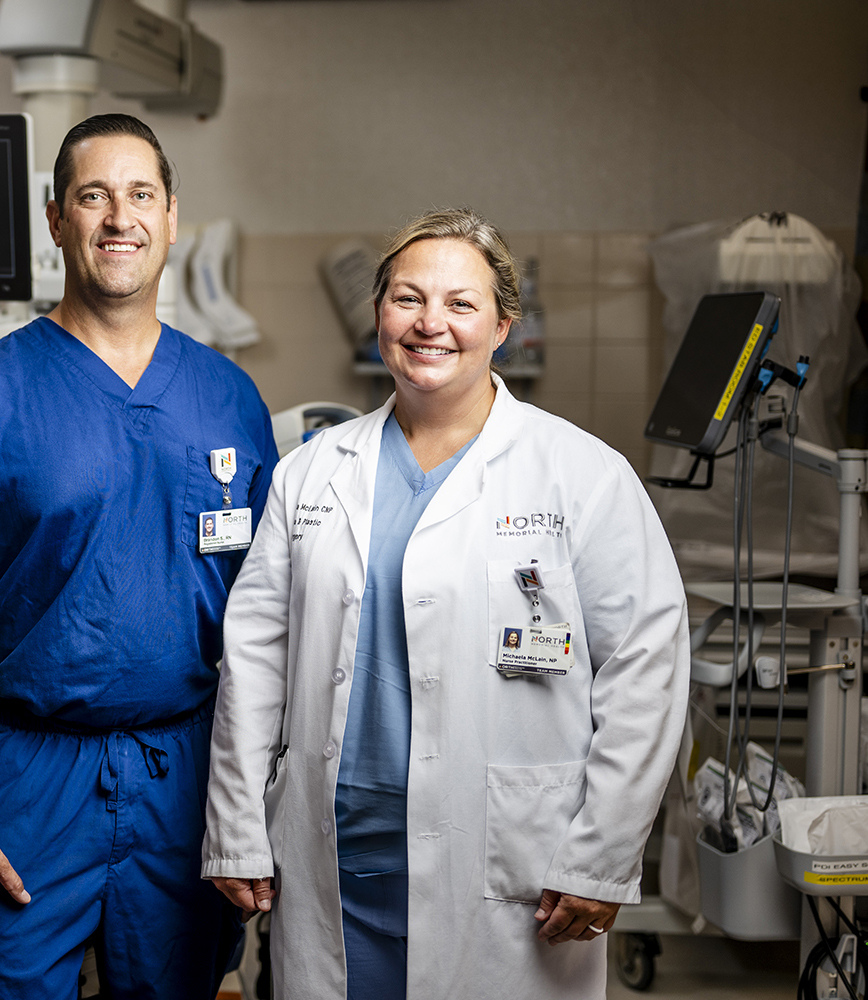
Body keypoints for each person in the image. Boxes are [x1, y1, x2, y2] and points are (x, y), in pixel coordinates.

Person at [202, 209, 688, 999]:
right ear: (378, 314)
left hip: (507, 860)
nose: (431, 324)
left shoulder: (580, 475)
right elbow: (254, 660)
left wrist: (601, 856)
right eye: (407, 298)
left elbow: (647, 671)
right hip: (330, 853)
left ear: (502, 324)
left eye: (461, 304)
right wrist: (235, 828)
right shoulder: (313, 472)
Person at [0, 113, 278, 999]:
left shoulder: (230, 399)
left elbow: (267, 620)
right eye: (92, 195)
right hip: (25, 778)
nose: (119, 217)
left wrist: (255, 804)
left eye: (140, 194)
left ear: (172, 215)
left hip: (185, 774)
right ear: (55, 216)